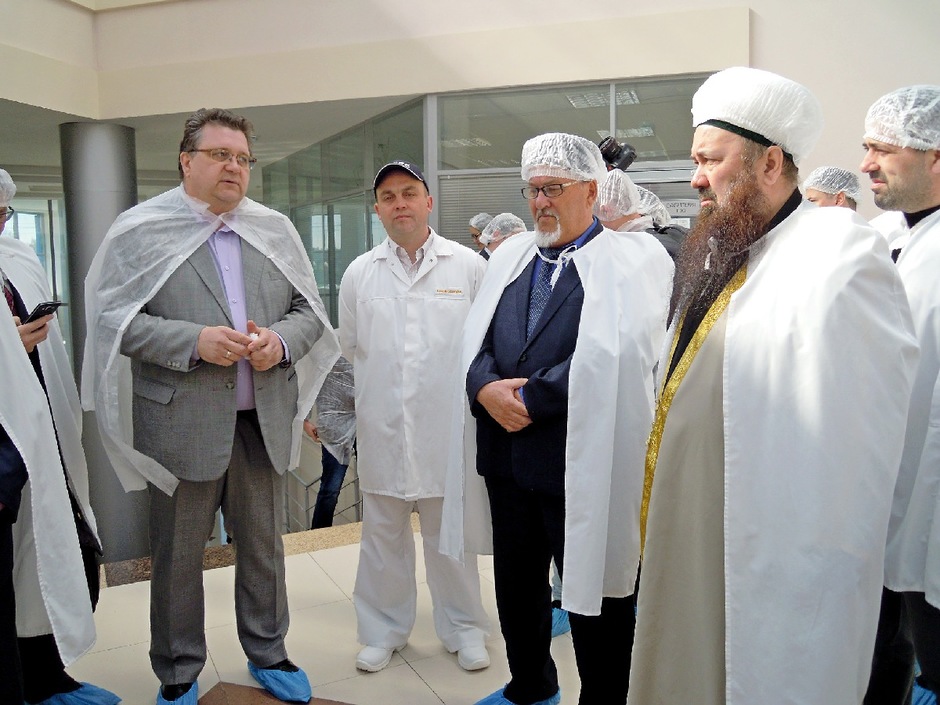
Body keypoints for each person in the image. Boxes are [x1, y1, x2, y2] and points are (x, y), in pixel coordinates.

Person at [629, 67, 919, 705]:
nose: (697, 178)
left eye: (711, 160)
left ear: (770, 162)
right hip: (693, 517)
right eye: (696, 161)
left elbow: (862, 427)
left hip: (769, 537)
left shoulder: (838, 253)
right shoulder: (724, 248)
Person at [82, 108, 339, 705]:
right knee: (178, 555)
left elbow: (309, 312)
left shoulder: (272, 230)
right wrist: (192, 341)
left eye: (243, 158)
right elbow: (115, 322)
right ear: (186, 161)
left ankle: (269, 651)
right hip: (181, 421)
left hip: (261, 420)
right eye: (220, 154)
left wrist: (280, 342)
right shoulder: (142, 231)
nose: (234, 167)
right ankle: (178, 668)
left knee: (264, 547)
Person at [441, 132, 673, 705]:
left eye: (554, 188)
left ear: (591, 191)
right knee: (517, 590)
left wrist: (531, 400)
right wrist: (484, 387)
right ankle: (531, 686)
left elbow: (621, 351)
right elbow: (475, 337)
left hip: (578, 462)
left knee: (597, 597)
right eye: (533, 189)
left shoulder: (632, 259)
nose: (540, 201)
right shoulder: (512, 256)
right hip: (507, 462)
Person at [339, 160, 491, 674]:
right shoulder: (360, 273)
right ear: (377, 209)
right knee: (382, 538)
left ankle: (464, 628)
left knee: (451, 538)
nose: (399, 203)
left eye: (408, 193)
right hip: (382, 427)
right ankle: (382, 631)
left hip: (448, 431)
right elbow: (350, 347)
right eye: (388, 196)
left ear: (428, 202)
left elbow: (485, 344)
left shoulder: (467, 266)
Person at [0, 169, 119, 705]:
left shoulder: (19, 256)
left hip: (40, 427)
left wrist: (24, 344)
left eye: (3, 214)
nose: (1, 224)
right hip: (4, 446)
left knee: (46, 556)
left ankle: (47, 677)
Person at [860, 85, 940, 705]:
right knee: (876, 652)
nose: (867, 164)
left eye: (883, 149)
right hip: (871, 487)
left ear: (934, 155)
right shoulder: (877, 236)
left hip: (931, 493)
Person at [302, 351, 355, 530]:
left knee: (373, 482)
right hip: (333, 422)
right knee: (330, 489)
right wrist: (305, 420)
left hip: (366, 419)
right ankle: (318, 535)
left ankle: (375, 528)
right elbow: (309, 378)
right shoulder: (325, 347)